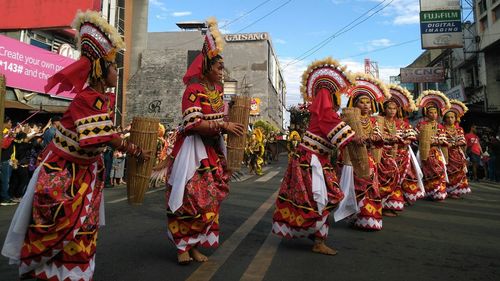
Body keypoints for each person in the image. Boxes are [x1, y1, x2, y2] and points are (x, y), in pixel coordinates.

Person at [2, 11, 150, 280]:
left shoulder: (99, 101)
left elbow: (104, 136)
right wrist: (136, 151)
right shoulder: (87, 99)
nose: (116, 72)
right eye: (113, 66)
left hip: (83, 178)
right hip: (65, 177)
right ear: (99, 68)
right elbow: (104, 137)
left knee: (82, 234)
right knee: (61, 232)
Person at [164, 18, 244, 265]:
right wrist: (223, 125)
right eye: (219, 67)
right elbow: (193, 124)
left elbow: (223, 121)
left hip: (212, 152)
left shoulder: (219, 93)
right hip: (192, 150)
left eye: (223, 67)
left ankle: (196, 244)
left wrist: (234, 127)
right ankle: (182, 247)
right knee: (190, 199)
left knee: (210, 201)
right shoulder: (193, 89)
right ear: (207, 65)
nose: (222, 71)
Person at [272, 58, 355, 255]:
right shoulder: (325, 113)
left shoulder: (326, 113)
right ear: (327, 94)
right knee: (322, 199)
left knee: (319, 199)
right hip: (311, 162)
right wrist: (354, 138)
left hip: (316, 160)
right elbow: (335, 128)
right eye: (335, 92)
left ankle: (315, 234)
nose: (338, 96)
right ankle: (318, 240)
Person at [343, 73, 390, 230]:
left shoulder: (375, 121)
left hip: (369, 159)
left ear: (372, 105)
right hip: (353, 158)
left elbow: (378, 139)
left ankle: (368, 217)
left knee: (370, 187)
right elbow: (343, 137)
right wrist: (354, 139)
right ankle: (355, 215)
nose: (365, 105)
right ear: (355, 104)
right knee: (355, 187)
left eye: (368, 102)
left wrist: (374, 140)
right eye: (361, 102)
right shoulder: (348, 119)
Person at [386, 85, 423, 206]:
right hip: (385, 156)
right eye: (389, 108)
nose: (392, 111)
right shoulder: (379, 121)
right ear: (384, 108)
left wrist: (403, 142)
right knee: (388, 179)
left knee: (407, 177)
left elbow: (411, 137)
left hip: (402, 155)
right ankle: (390, 202)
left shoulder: (403, 123)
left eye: (394, 108)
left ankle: (400, 199)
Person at [415, 90, 451, 201]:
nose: (433, 115)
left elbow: (443, 139)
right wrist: (425, 140)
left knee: (439, 171)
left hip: (436, 152)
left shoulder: (440, 126)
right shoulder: (421, 125)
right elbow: (416, 138)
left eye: (435, 113)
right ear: (426, 113)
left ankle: (439, 192)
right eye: (431, 112)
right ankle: (428, 192)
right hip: (424, 151)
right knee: (426, 172)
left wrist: (434, 140)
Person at [443, 100, 470, 198]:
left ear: (455, 118)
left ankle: (456, 190)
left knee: (459, 172)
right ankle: (447, 190)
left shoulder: (459, 129)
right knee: (447, 172)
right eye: (448, 117)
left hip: (457, 154)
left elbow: (463, 141)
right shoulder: (441, 128)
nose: (450, 119)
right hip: (445, 153)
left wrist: (453, 144)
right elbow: (440, 140)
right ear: (445, 119)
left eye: (452, 117)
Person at [0, 116, 16, 206]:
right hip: (4, 160)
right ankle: (4, 198)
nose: (11, 124)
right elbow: (4, 145)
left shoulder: (8, 132)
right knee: (5, 180)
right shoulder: (3, 132)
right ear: (4, 123)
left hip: (8, 159)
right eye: (9, 122)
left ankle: (6, 196)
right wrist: (10, 138)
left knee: (7, 180)